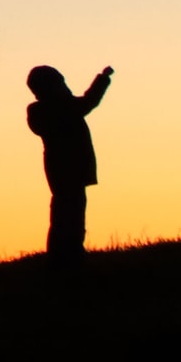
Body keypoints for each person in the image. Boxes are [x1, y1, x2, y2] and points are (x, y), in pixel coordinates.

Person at [24, 63, 116, 263]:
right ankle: (67, 253)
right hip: (68, 166)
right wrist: (102, 79)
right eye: (60, 82)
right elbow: (88, 102)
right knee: (69, 210)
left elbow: (85, 103)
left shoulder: (44, 109)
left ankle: (66, 251)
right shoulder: (54, 108)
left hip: (62, 166)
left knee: (67, 208)